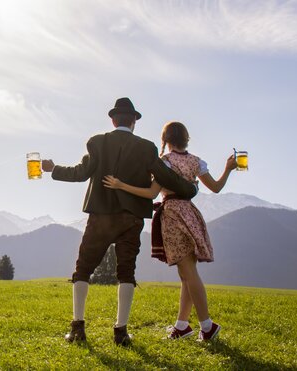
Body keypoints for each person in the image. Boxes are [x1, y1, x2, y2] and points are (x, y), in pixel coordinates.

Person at [41, 98, 198, 346]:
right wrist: (191, 190)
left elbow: (80, 173)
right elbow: (167, 177)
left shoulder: (97, 142)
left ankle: (78, 328)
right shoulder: (146, 148)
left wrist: (53, 169)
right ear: (134, 121)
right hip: (131, 219)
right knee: (126, 272)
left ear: (113, 120)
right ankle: (121, 332)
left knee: (83, 269)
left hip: (100, 216)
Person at [102, 121, 237, 341]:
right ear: (186, 139)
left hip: (173, 216)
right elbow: (216, 187)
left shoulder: (165, 163)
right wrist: (228, 169)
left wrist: (121, 185)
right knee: (186, 273)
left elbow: (151, 193)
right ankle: (182, 326)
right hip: (191, 215)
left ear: (165, 140)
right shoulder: (196, 162)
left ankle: (207, 326)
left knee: (189, 273)